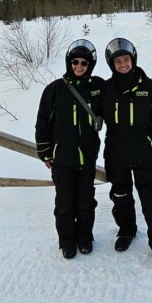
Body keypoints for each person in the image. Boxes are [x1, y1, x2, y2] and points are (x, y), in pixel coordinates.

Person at [101, 37, 152, 269]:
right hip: (116, 155)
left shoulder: (150, 89)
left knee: (151, 201)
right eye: (118, 61)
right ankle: (127, 230)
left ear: (133, 60)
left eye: (126, 59)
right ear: (111, 64)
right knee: (120, 198)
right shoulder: (106, 89)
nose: (123, 64)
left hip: (145, 155)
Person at [35, 38, 104, 260]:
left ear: (90, 65)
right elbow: (42, 122)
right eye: (75, 62)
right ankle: (66, 240)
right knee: (64, 204)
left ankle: (84, 237)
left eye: (84, 63)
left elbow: (117, 104)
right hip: (62, 159)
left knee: (86, 202)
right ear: (69, 62)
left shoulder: (97, 87)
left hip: (87, 159)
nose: (79, 67)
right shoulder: (54, 90)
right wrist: (45, 152)